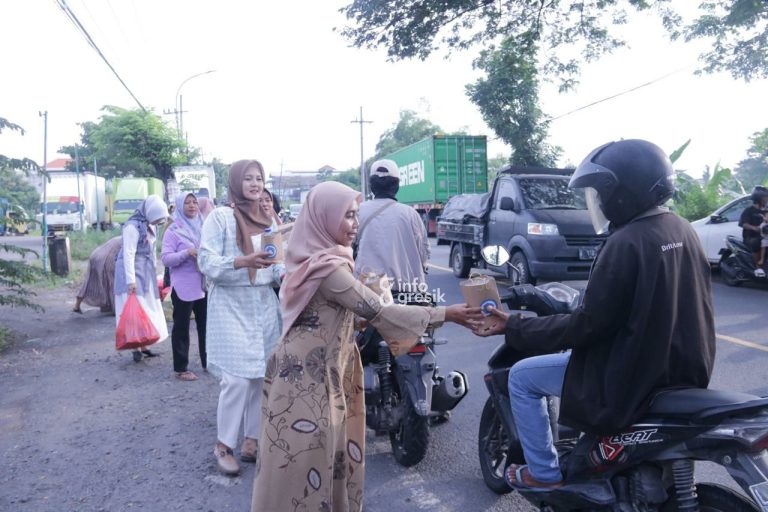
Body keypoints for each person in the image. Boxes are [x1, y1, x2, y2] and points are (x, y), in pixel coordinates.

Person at [474, 139, 716, 489]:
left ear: (623, 191)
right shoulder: (682, 228)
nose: (598, 202)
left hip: (631, 375)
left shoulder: (626, 242)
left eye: (601, 192)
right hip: (679, 369)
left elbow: (588, 326)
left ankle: (542, 473)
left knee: (522, 378)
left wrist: (515, 326)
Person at [251, 181, 483, 512]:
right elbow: (378, 311)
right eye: (347, 216)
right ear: (324, 219)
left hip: (317, 366)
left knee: (322, 456)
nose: (354, 224)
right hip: (307, 378)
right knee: (305, 464)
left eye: (356, 215)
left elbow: (346, 314)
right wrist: (448, 313)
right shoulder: (329, 269)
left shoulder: (322, 258)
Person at [198, 160, 284, 476]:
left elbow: (276, 263)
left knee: (261, 376)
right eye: (247, 178)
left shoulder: (267, 220)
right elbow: (206, 262)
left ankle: (252, 440)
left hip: (262, 304)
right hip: (230, 304)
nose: (254, 183)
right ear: (236, 182)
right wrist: (241, 261)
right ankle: (223, 445)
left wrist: (289, 274)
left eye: (259, 178)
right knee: (235, 379)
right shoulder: (220, 218)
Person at [354, 159, 430, 292]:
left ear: (371, 185)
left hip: (368, 292)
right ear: (396, 185)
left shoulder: (358, 211)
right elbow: (423, 251)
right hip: (407, 291)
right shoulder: (410, 214)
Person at [114, 195, 171, 363]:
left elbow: (151, 252)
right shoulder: (132, 227)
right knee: (134, 308)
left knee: (145, 308)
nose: (158, 222)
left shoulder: (149, 226)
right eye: (157, 218)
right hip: (131, 271)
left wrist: (155, 271)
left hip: (145, 271)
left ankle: (145, 344)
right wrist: (130, 281)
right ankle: (135, 348)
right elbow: (128, 254)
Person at [161, 192, 208, 381]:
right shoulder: (173, 230)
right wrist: (186, 253)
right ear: (180, 206)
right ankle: (181, 368)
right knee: (181, 327)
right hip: (183, 287)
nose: (192, 206)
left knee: (206, 326)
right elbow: (165, 258)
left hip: (204, 285)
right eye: (187, 203)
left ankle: (208, 362)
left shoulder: (204, 226)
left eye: (194, 202)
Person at [74, 235, 122, 314]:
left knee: (89, 282)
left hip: (96, 255)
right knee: (113, 283)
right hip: (107, 258)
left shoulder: (121, 237)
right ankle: (115, 309)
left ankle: (77, 306)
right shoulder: (131, 239)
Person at [738, 185, 768, 277]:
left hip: (765, 235)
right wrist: (755, 228)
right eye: (765, 197)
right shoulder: (748, 211)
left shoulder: (766, 211)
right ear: (759, 198)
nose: (767, 199)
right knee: (757, 242)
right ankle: (758, 267)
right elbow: (744, 224)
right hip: (750, 237)